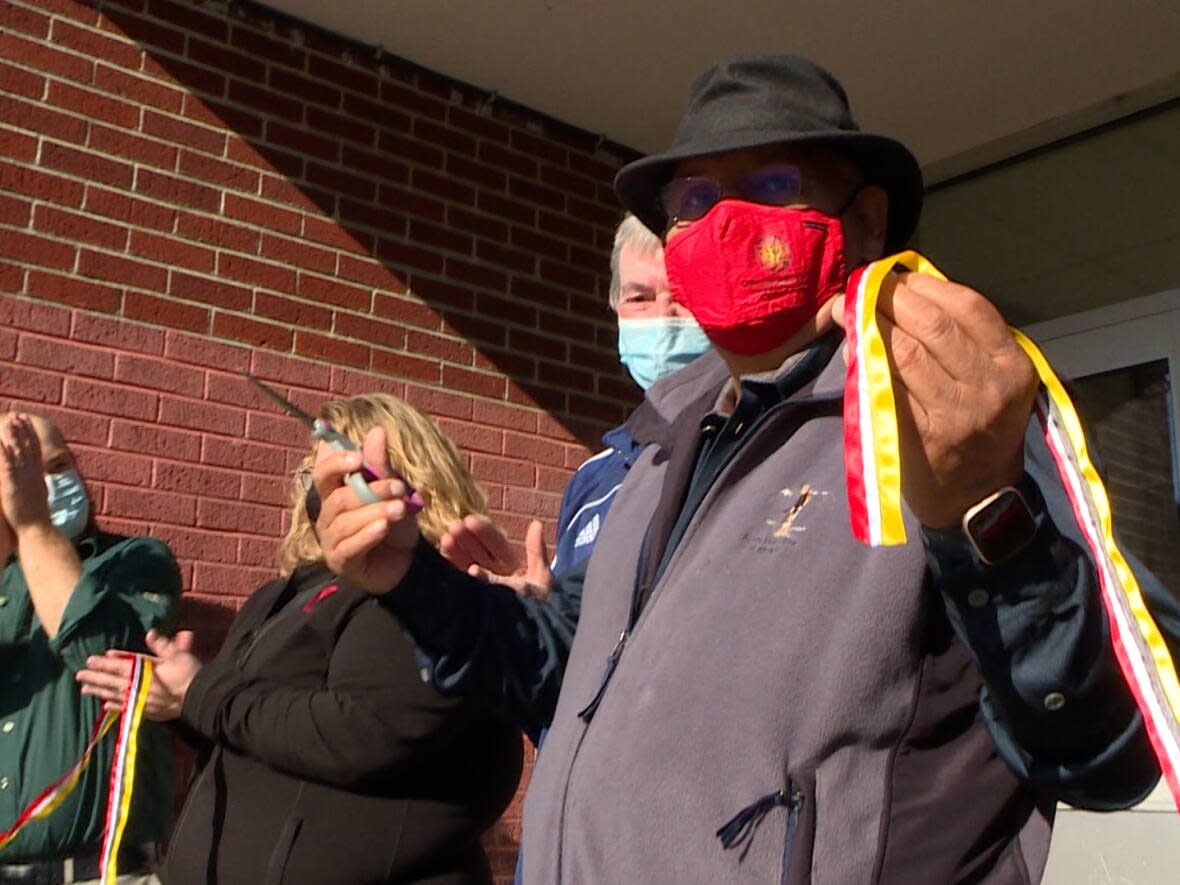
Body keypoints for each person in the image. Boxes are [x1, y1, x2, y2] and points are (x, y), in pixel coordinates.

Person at [310, 56, 1176, 883]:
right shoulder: (654, 450)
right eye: (693, 200)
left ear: (866, 222)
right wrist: (410, 578)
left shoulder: (941, 416)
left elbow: (1106, 748)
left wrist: (986, 515)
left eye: (773, 186)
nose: (725, 223)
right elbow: (561, 666)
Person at [77, 394, 523, 885]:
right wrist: (181, 703)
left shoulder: (422, 593)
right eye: (311, 473)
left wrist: (201, 692)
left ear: (400, 475)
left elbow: (365, 734)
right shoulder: (283, 593)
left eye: (335, 472)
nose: (314, 489)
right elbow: (255, 729)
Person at [441, 213, 712, 583]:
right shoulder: (594, 478)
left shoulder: (759, 449)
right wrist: (528, 613)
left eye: (682, 294)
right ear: (615, 308)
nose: (663, 315)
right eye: (639, 298)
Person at [0, 412, 180, 883]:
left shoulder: (136, 560)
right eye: (22, 472)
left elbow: (107, 656)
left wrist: (34, 526)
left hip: (98, 870)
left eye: (57, 465)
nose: (44, 484)